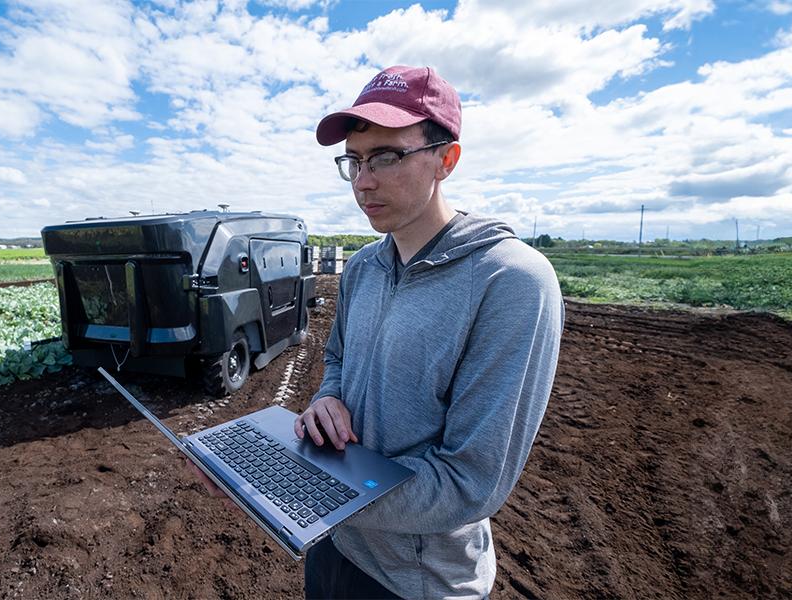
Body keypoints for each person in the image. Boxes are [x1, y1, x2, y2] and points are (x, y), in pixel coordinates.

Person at [183, 64, 563, 599]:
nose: (364, 181)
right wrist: (328, 399)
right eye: (355, 161)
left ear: (445, 160)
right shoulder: (363, 267)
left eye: (387, 156)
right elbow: (337, 360)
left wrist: (297, 486)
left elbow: (470, 483)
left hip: (417, 579)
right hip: (333, 548)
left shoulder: (510, 280)